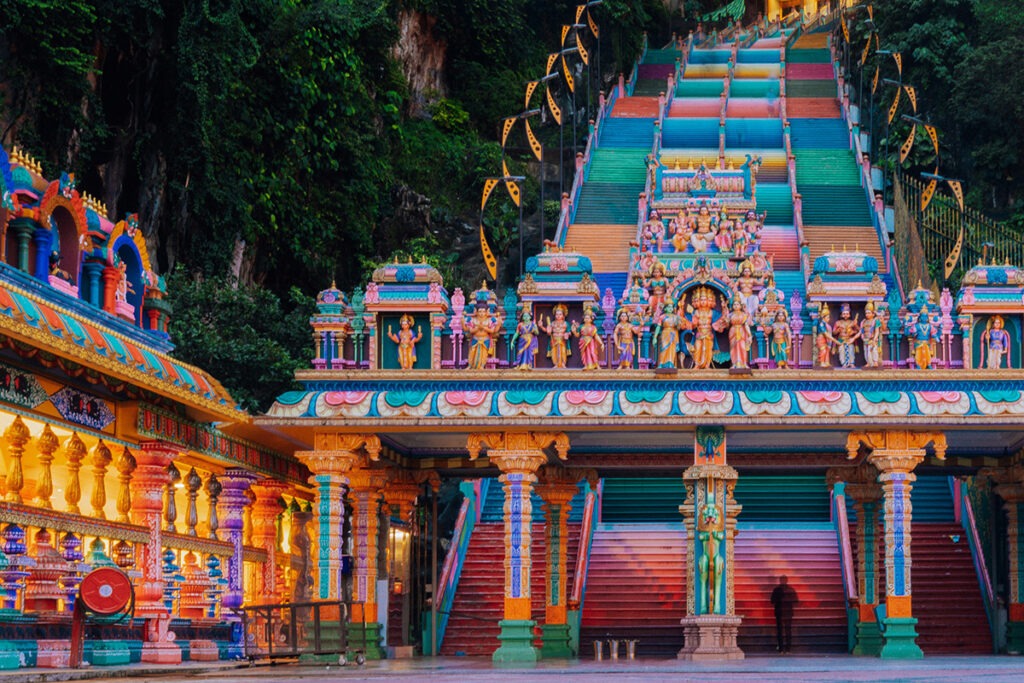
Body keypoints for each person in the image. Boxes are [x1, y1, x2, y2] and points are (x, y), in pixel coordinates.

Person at [771, 575, 798, 653]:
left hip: (779, 612)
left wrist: (780, 600)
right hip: (787, 612)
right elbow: (796, 600)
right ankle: (787, 649)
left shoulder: (776, 589)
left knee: (781, 631)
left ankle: (781, 649)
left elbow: (772, 601)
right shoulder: (790, 589)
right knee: (787, 630)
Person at [539, 304, 572, 369]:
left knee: (562, 351)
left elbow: (569, 331)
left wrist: (567, 334)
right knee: (554, 352)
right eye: (557, 314)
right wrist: (541, 326)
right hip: (554, 340)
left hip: (562, 340)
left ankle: (562, 363)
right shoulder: (552, 323)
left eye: (560, 314)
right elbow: (547, 330)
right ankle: (556, 363)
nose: (558, 316)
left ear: (563, 315)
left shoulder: (566, 323)